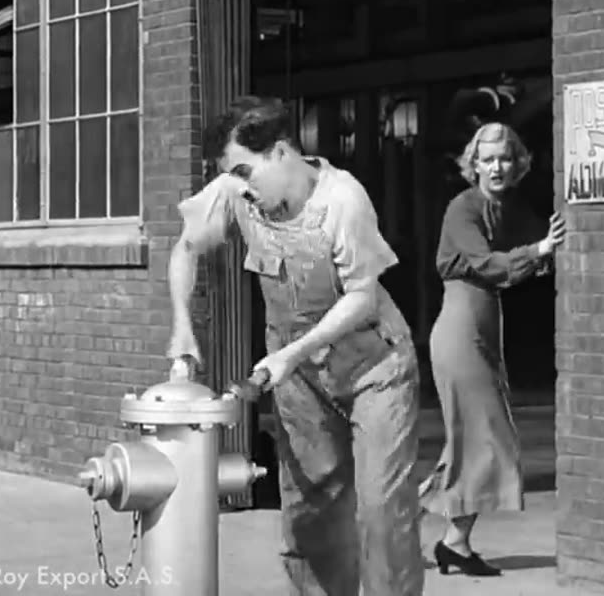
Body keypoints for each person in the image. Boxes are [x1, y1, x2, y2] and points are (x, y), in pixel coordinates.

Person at [168, 96, 424, 596]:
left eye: (246, 170)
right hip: (299, 376)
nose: (240, 186)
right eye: (231, 174)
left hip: (376, 367)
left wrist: (291, 353)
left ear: (282, 153)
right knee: (310, 507)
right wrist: (182, 326)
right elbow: (185, 248)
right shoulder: (235, 191)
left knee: (380, 509)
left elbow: (362, 299)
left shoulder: (343, 200)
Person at [419, 121, 566, 577]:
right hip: (461, 329)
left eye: (505, 157)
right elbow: (486, 263)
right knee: (488, 438)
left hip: (485, 327)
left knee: (470, 441)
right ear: (474, 164)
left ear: (517, 162)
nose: (497, 166)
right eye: (488, 158)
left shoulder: (508, 208)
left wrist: (542, 252)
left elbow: (520, 263)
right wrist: (539, 249)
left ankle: (420, 533)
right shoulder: (463, 207)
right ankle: (442, 538)